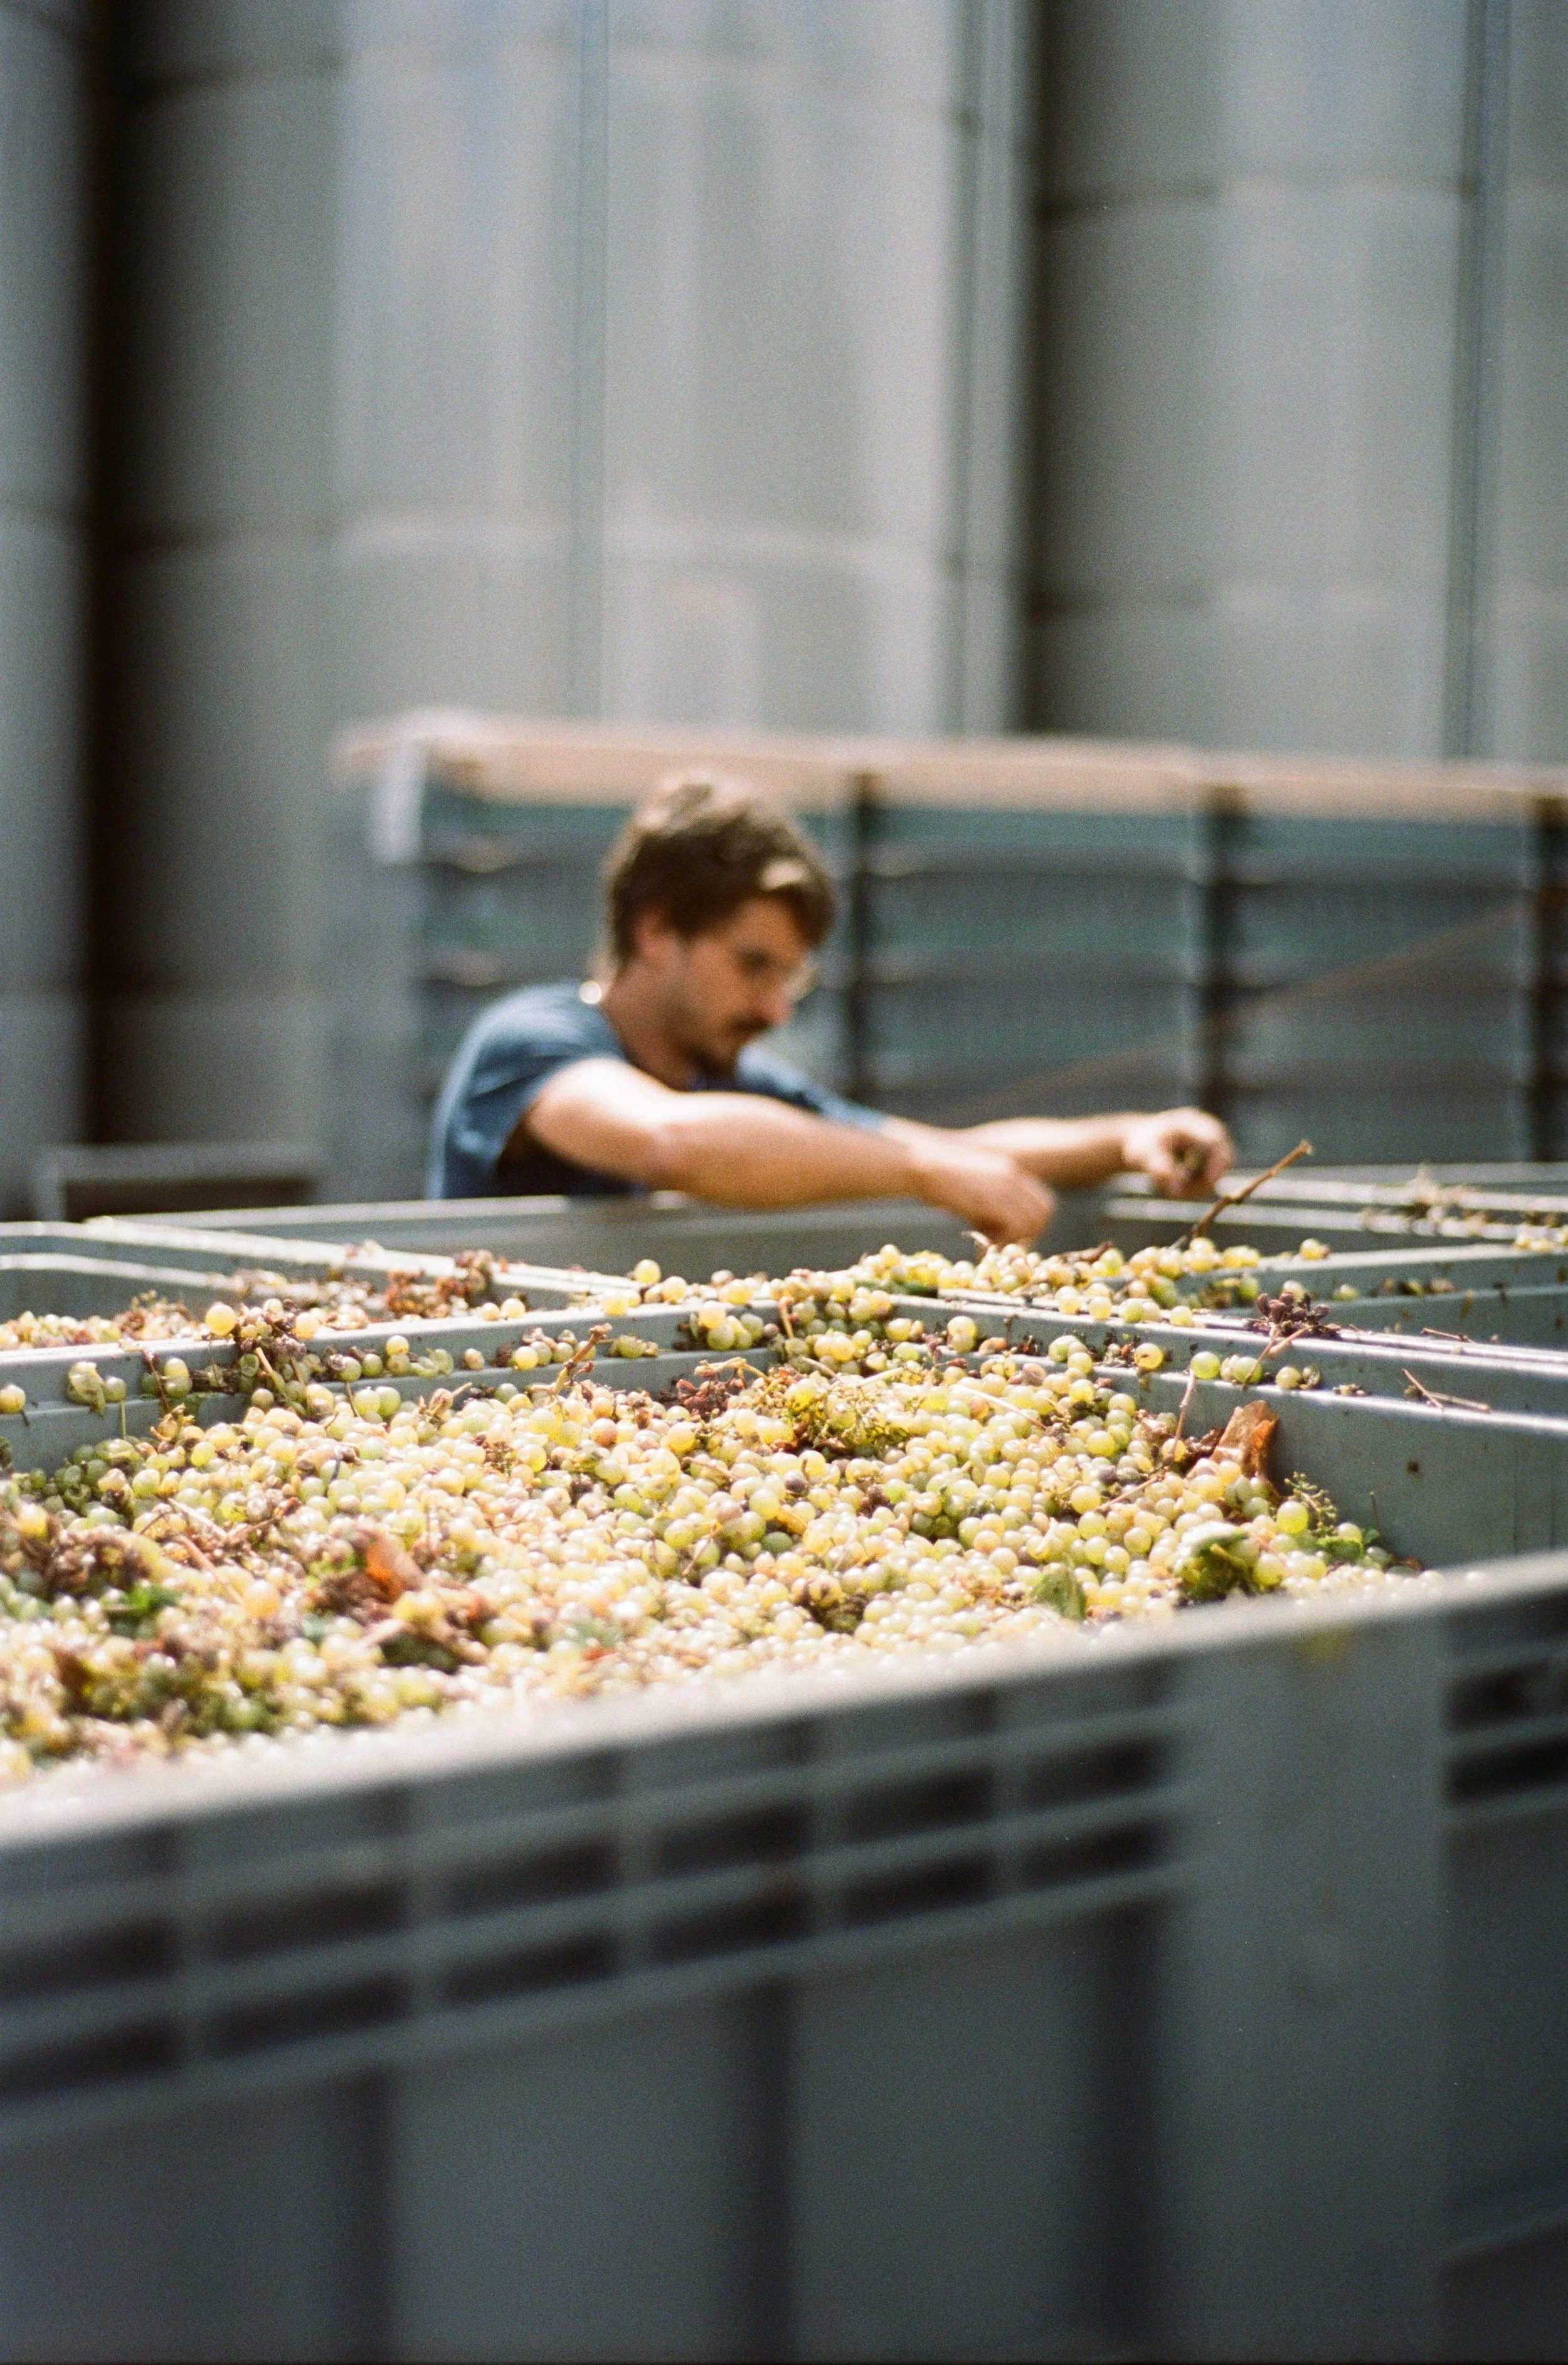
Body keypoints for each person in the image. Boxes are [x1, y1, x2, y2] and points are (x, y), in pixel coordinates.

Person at [428, 773, 1232, 1243]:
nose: (775, 1007)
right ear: (657, 930)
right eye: (752, 966)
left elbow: (955, 1152)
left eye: (790, 978)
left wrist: (1128, 1137)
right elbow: (668, 1143)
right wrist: (923, 1171)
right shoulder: (531, 1043)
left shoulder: (741, 1092)